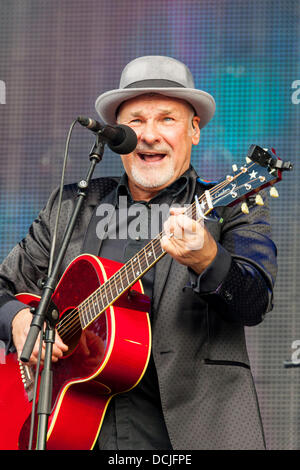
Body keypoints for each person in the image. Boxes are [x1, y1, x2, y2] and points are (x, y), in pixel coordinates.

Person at [0, 56, 277, 450]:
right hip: (72, 429)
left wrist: (207, 259)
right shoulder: (71, 207)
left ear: (194, 130)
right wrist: (17, 321)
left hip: (191, 435)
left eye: (167, 119)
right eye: (135, 121)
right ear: (116, 136)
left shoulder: (227, 205)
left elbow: (255, 302)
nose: (149, 135)